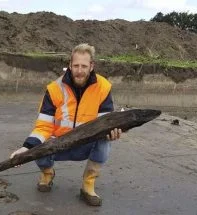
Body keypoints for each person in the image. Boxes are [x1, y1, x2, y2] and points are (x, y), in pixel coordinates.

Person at [10, 43, 122, 206]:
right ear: (69, 65)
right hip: (57, 144)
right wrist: (26, 148)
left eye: (84, 66)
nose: (79, 70)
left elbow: (105, 123)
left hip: (86, 145)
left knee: (104, 142)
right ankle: (48, 174)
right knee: (36, 148)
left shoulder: (103, 87)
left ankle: (88, 185)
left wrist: (112, 133)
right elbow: (44, 126)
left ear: (92, 66)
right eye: (76, 65)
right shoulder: (54, 88)